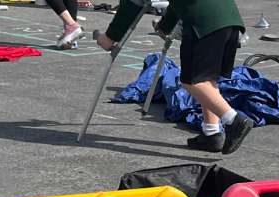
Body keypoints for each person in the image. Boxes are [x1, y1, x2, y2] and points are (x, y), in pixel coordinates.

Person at [96, 0, 253, 154]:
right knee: (208, 79)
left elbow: (132, 3)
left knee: (193, 81)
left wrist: (110, 37)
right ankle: (212, 133)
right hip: (230, 21)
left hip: (203, 23)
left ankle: (234, 121)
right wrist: (165, 26)